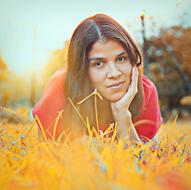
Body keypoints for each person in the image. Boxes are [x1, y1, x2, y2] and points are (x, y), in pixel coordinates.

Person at [32, 13, 162, 144]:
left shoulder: (146, 90)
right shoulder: (61, 86)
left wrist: (123, 117)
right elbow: (46, 148)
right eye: (98, 63)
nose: (114, 73)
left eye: (121, 59)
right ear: (81, 69)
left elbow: (147, 159)